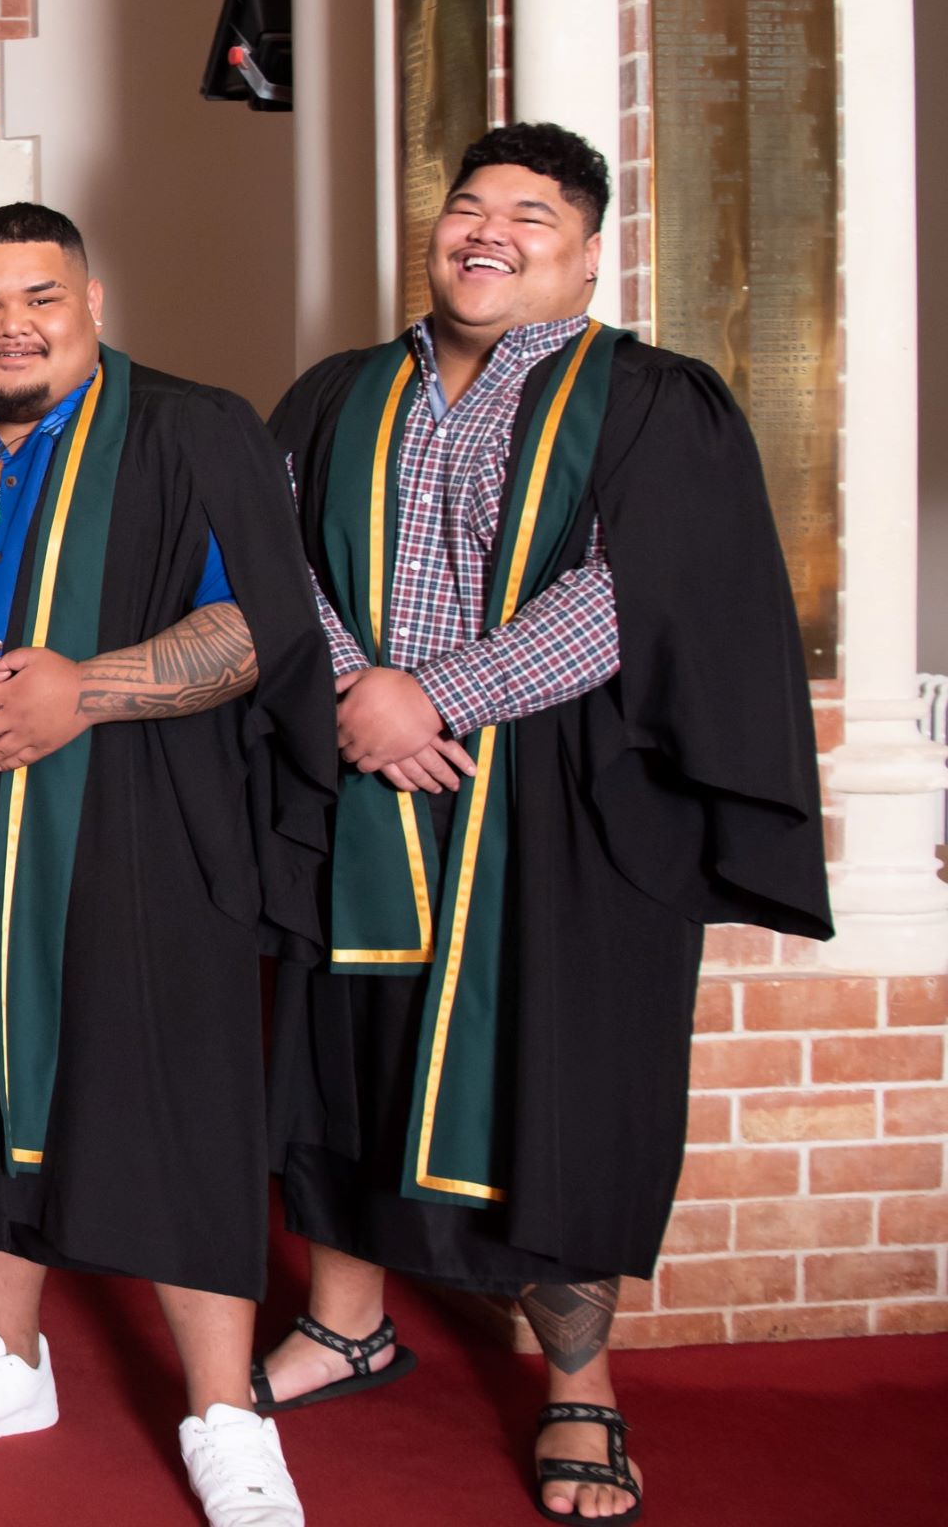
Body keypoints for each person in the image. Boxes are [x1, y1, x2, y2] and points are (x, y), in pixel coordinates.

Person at [260, 123, 831, 1523]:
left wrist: (431, 697)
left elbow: (637, 592)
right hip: (366, 784)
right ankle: (347, 1321)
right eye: (469, 206)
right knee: (348, 1056)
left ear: (587, 252)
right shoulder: (339, 394)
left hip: (569, 796)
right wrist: (354, 694)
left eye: (531, 213)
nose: (489, 231)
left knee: (565, 1085)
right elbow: (270, 558)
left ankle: (581, 1391)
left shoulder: (650, 399)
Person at [0, 205, 338, 1527]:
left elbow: (260, 629)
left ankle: (226, 1413)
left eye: (39, 297)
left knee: (175, 1104)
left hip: (148, 826)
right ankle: (7, 1359)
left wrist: (89, 693)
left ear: (93, 301)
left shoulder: (195, 429)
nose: (11, 325)